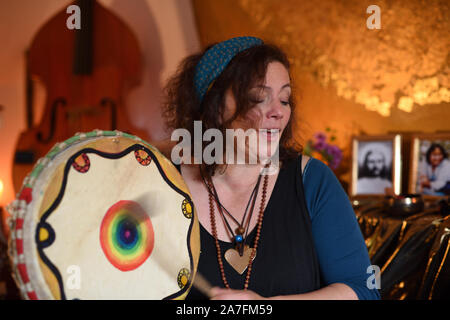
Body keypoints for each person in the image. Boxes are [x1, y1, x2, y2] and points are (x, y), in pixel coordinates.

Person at [162, 36, 380, 300]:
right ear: (215, 107)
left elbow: (364, 290)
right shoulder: (162, 182)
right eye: (258, 97)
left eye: (285, 99)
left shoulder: (312, 181)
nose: (278, 112)